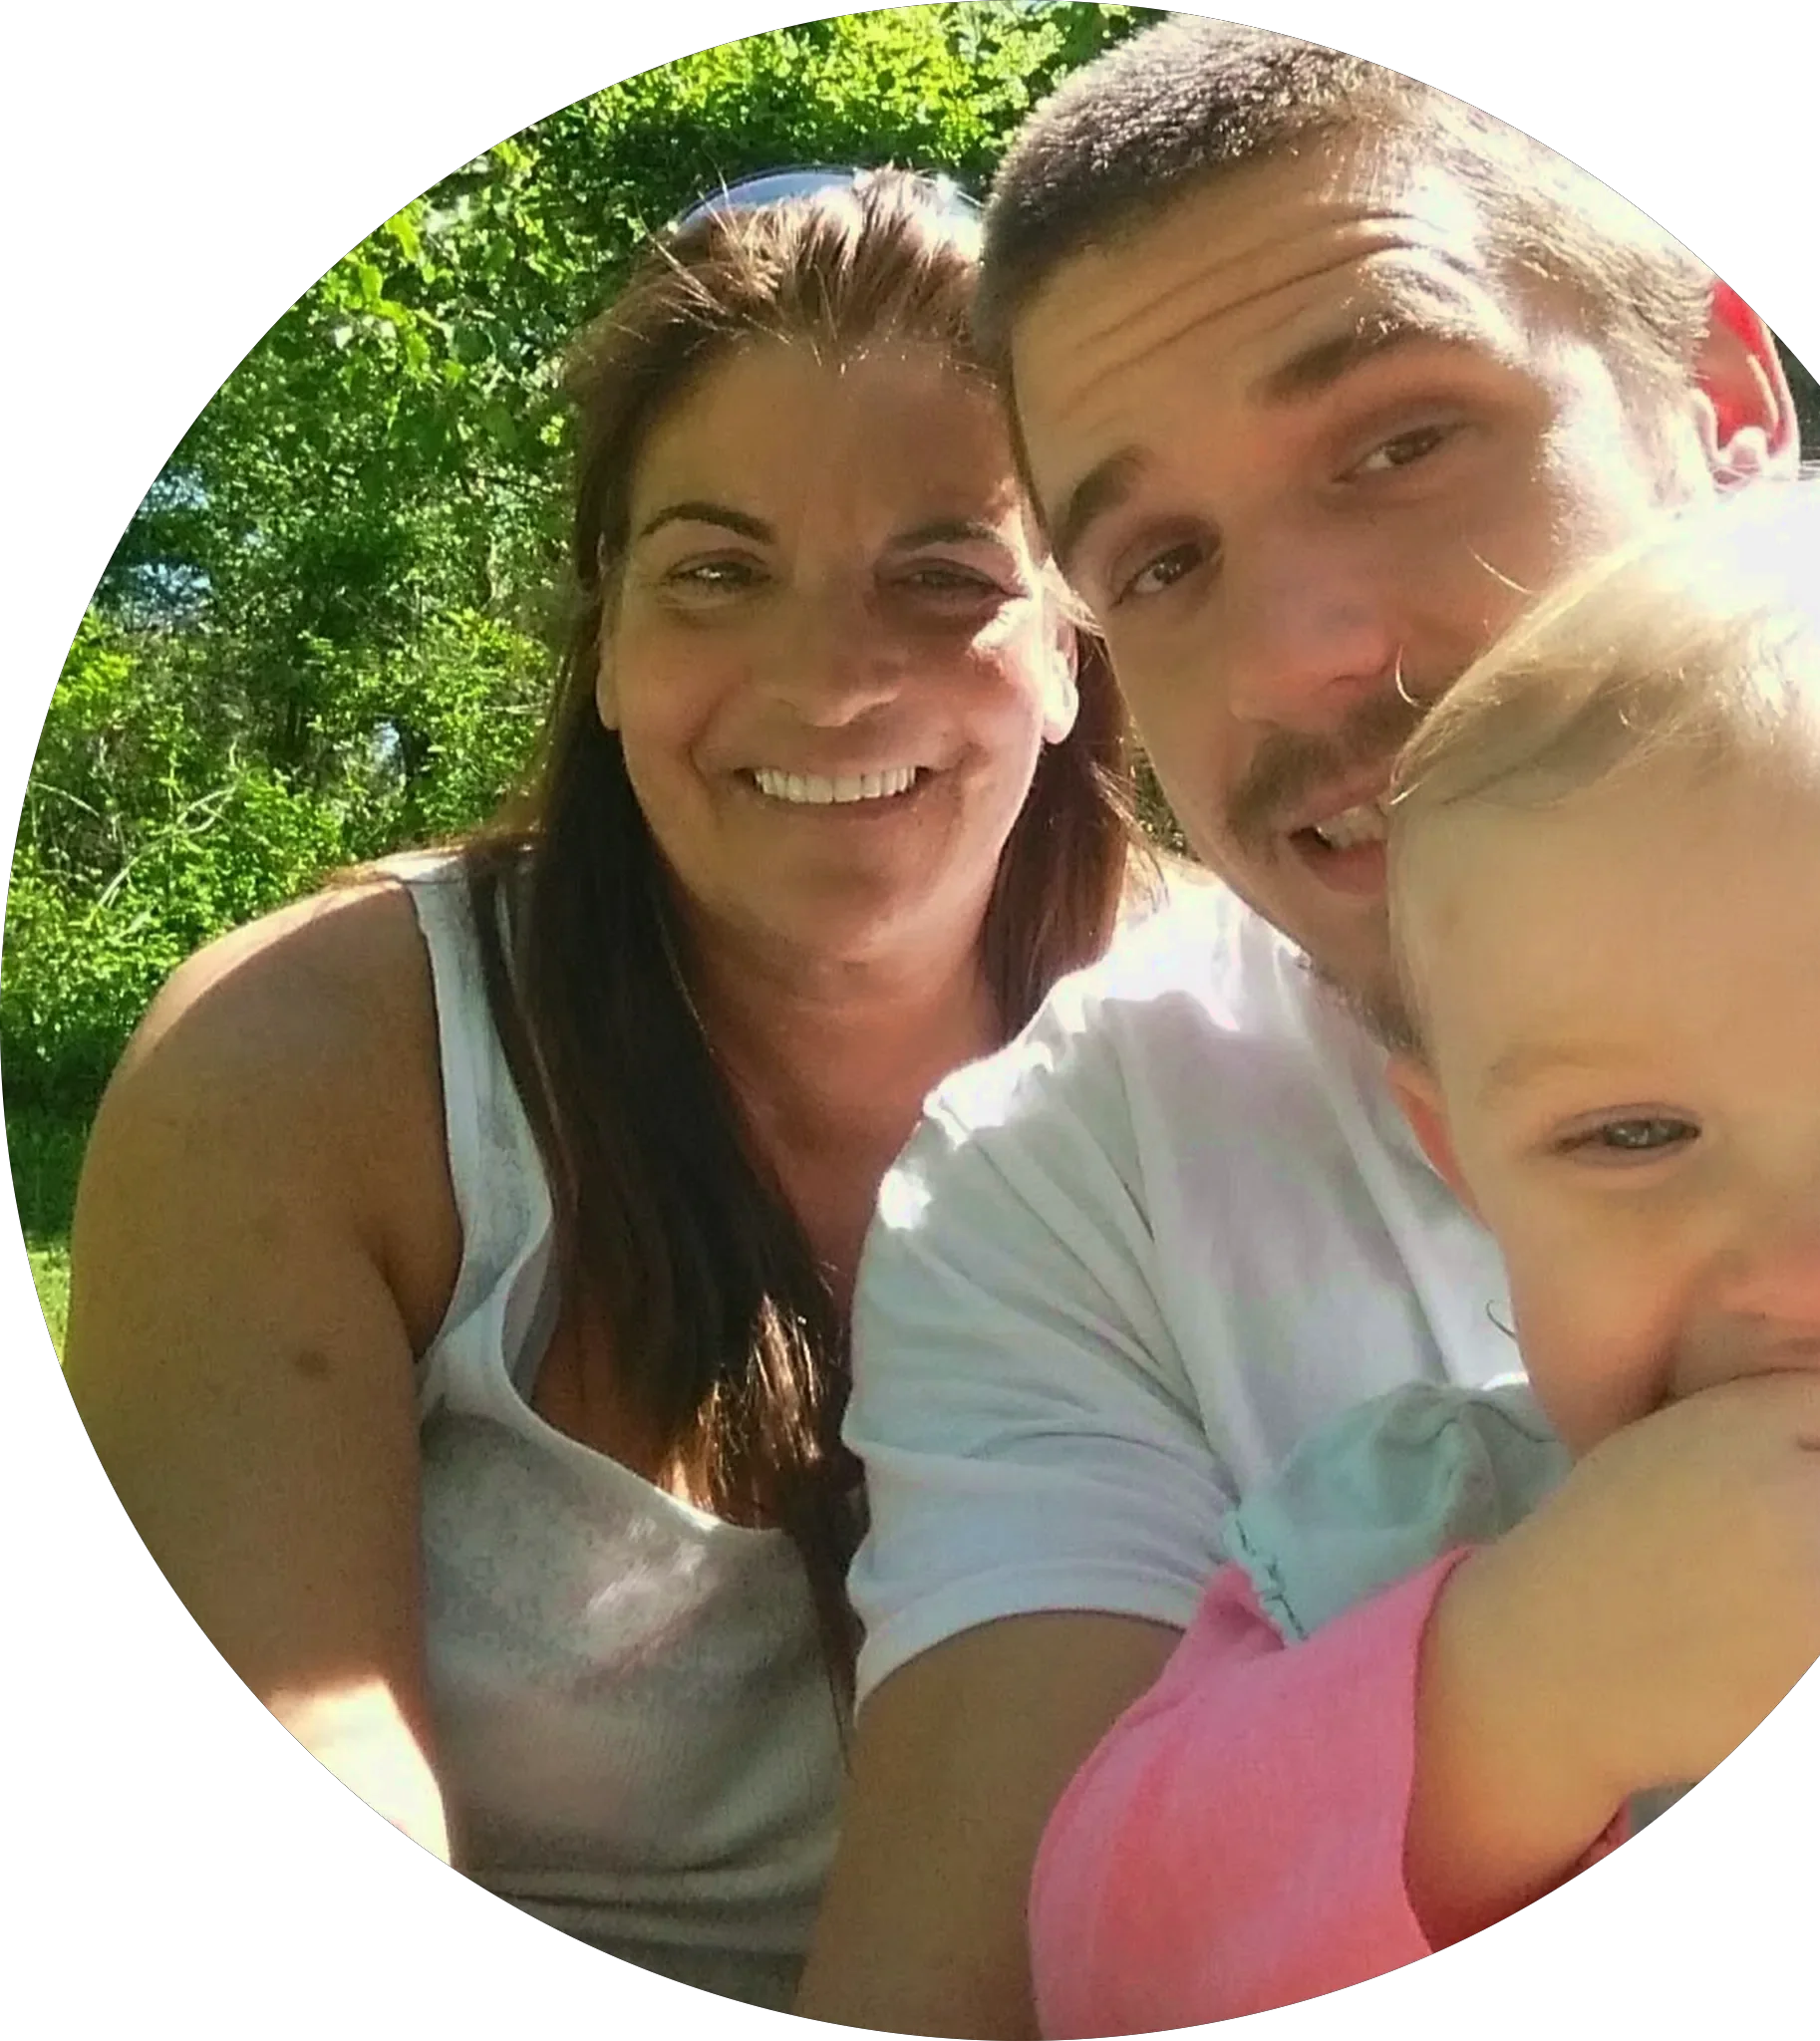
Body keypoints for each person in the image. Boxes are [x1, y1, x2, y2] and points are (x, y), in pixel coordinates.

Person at [790, 25, 1820, 2037]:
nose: (1297, 653)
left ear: (1721, 403)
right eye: (1163, 563)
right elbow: (1028, 1972)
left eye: (1401, 442)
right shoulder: (1065, 1190)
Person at [59, 168, 1148, 2013]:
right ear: (610, 636)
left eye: (944, 577)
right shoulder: (315, 1059)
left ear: (1068, 646)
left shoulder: (1244, 1038)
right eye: (717, 572)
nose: (829, 680)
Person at [1025, 468, 1820, 2032]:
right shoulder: (1418, 1535)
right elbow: (1106, 1976)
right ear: (1469, 1167)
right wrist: (1510, 1707)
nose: (1810, 1275)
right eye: (1631, 1136)